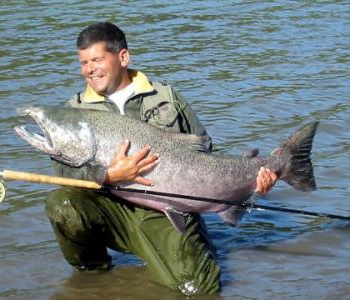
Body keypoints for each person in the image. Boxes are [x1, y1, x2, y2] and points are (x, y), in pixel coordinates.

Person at [45, 22, 277, 296]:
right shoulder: (75, 112)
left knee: (201, 288)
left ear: (123, 57)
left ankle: (184, 248)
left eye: (96, 59)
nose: (89, 69)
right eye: (83, 62)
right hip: (107, 206)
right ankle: (94, 273)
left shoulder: (166, 97)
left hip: (165, 212)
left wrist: (254, 181)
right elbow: (62, 172)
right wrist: (108, 177)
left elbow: (205, 153)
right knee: (62, 204)